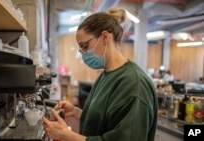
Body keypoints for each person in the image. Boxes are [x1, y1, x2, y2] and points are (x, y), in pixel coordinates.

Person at [42, 7, 158, 141]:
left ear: (104, 37)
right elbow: (106, 120)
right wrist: (76, 112)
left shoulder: (134, 84)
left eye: (85, 46)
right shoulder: (105, 76)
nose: (83, 53)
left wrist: (66, 135)